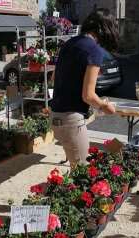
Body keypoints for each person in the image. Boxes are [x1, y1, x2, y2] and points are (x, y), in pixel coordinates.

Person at [49, 8, 120, 166]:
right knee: (81, 173)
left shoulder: (70, 43)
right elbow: (88, 96)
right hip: (71, 119)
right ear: (106, 29)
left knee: (77, 168)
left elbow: (54, 77)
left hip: (55, 115)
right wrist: (105, 105)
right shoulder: (95, 50)